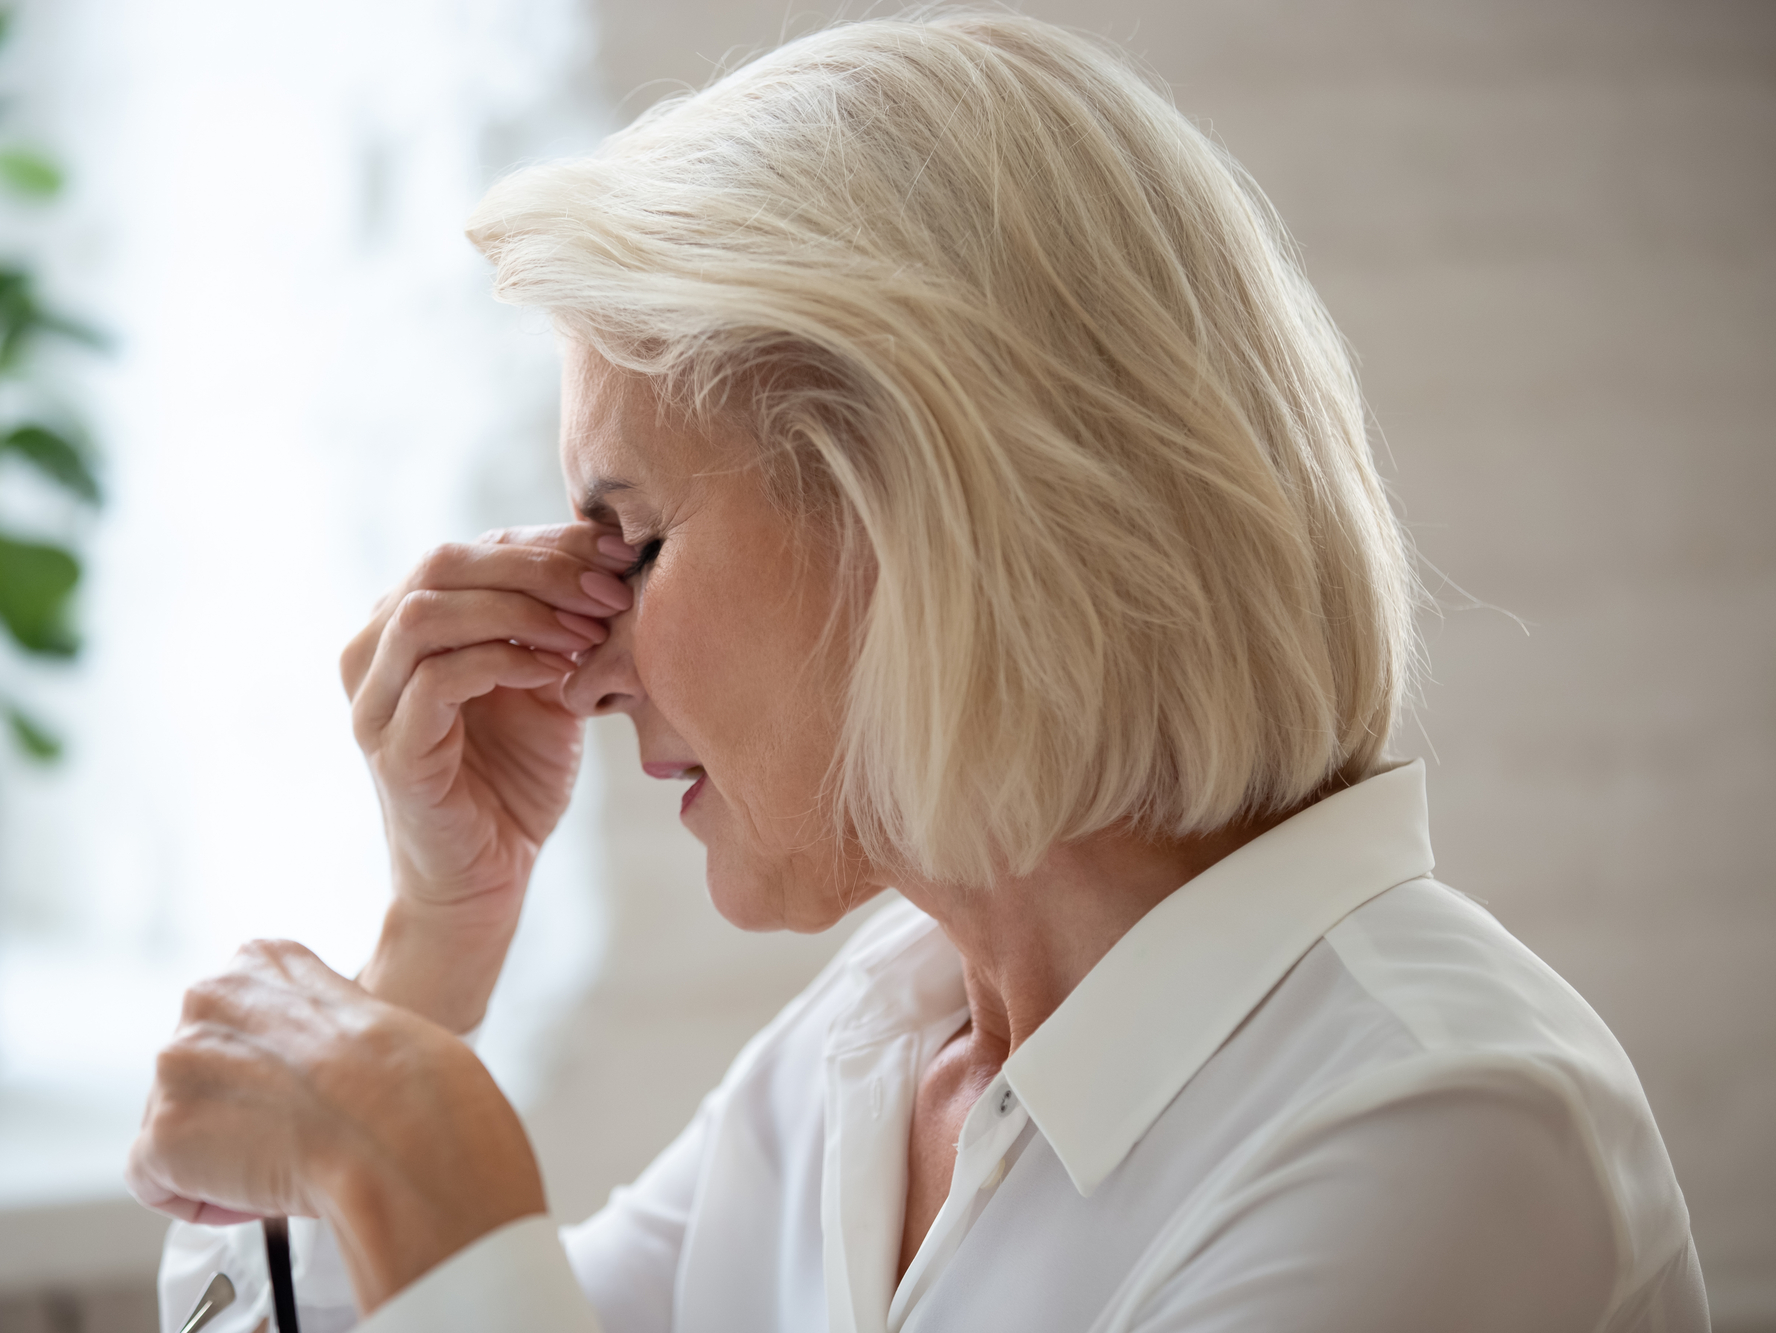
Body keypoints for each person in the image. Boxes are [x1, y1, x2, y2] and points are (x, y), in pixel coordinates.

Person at [128, 13, 1707, 1333]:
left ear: (917, 520)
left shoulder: (1441, 1134)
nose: (585, 661)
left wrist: (426, 1164)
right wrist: (435, 946)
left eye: (637, 540)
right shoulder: (869, 1052)